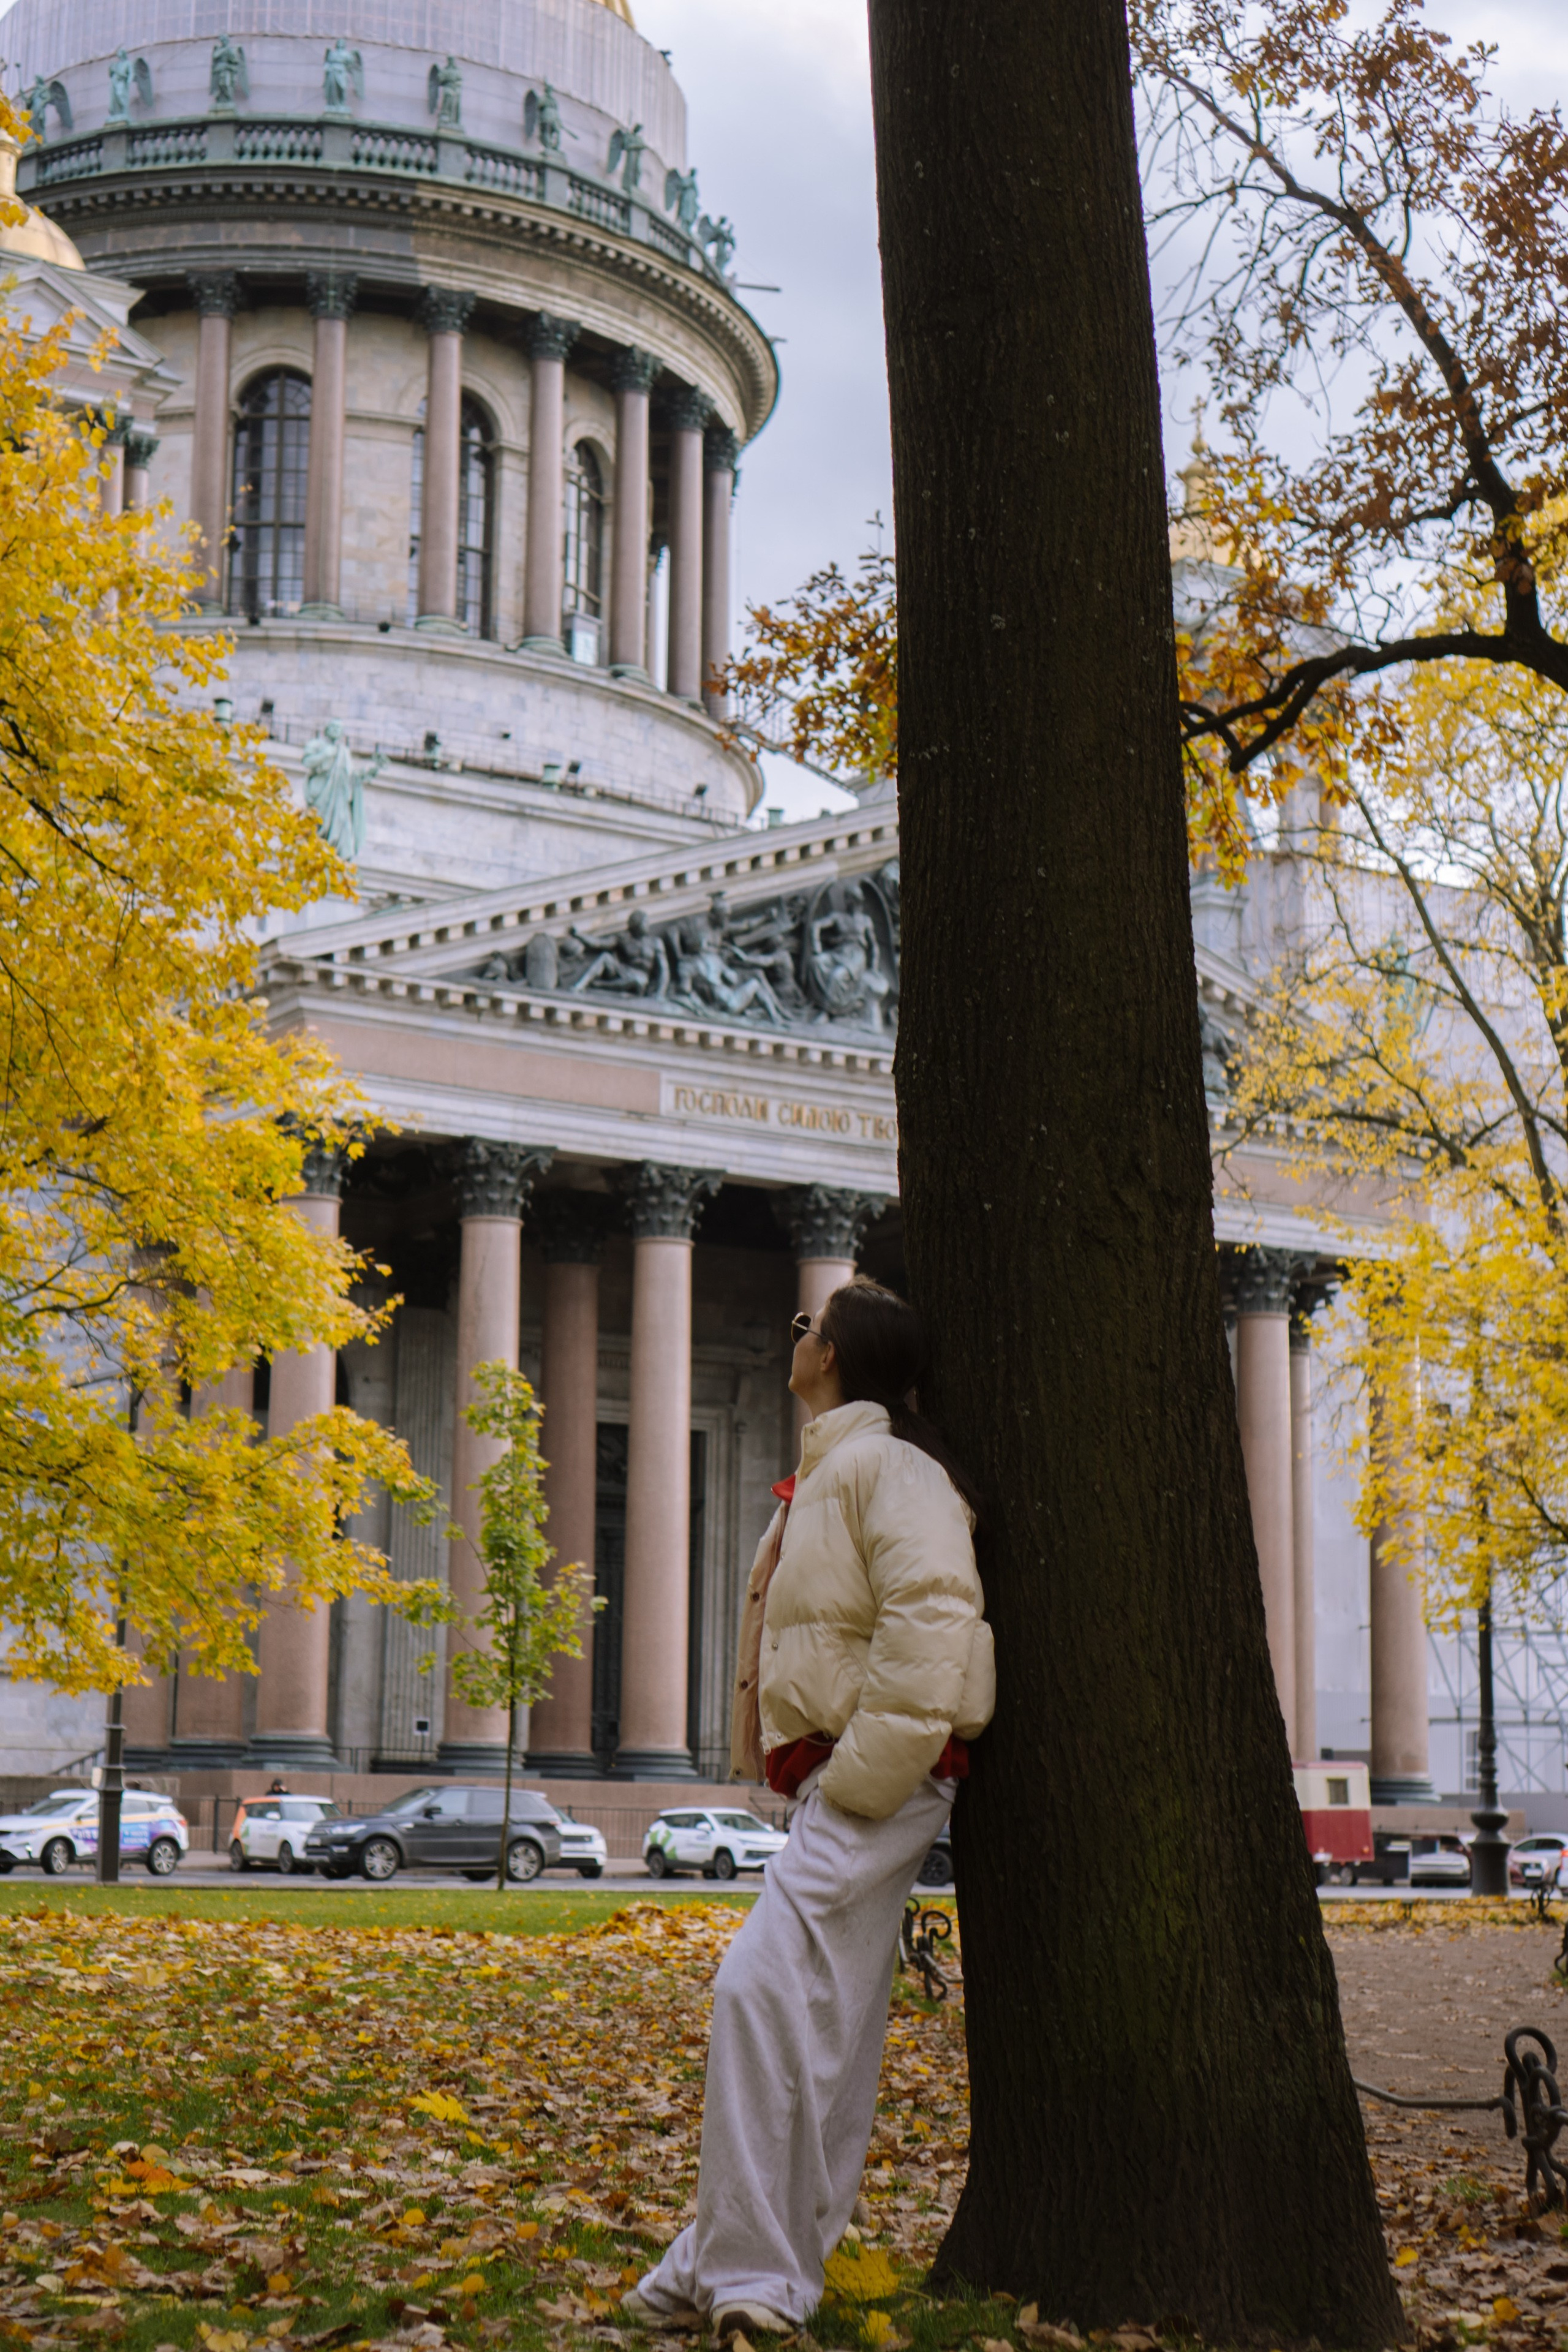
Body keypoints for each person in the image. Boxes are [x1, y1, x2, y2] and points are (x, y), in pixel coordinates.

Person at [624, 1276, 993, 2337]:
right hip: (858, 1779)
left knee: (751, 1996)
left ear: (831, 1355)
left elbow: (932, 1625)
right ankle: (732, 2262)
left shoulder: (889, 1467)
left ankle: (743, 2277)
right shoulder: (847, 1467)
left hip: (877, 1781)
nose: (795, 1340)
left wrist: (855, 1783)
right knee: (823, 2037)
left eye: (806, 1327)